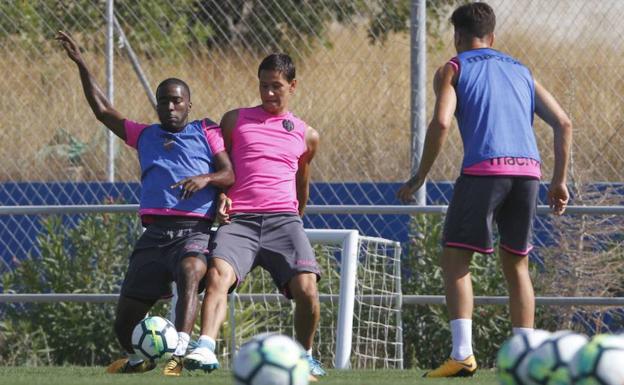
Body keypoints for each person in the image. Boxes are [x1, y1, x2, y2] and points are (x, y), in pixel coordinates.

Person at [397, 2, 572, 378]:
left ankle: (462, 354)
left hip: (484, 171)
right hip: (529, 173)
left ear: (457, 36)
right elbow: (563, 122)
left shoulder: (454, 68)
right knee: (517, 263)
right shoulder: (521, 70)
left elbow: (442, 123)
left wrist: (419, 176)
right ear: (492, 37)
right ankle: (525, 355)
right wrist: (558, 181)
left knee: (455, 259)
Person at [56, 31, 235, 377]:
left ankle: (180, 351)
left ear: (188, 104)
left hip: (193, 230)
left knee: (192, 270)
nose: (170, 107)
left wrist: (206, 179)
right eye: (164, 101)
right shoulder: (145, 135)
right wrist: (81, 63)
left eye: (177, 101)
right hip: (154, 236)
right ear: (157, 104)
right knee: (124, 326)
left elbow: (229, 173)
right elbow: (103, 111)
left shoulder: (205, 130)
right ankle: (142, 359)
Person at [182, 53, 326, 378]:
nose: (269, 93)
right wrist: (221, 195)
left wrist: (295, 219)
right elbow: (223, 169)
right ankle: (205, 346)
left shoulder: (307, 135)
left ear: (293, 86)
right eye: (264, 86)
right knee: (218, 276)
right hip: (240, 221)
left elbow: (302, 181)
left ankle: (304, 357)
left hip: (283, 221)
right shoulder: (234, 120)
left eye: (276, 87)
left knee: (307, 290)